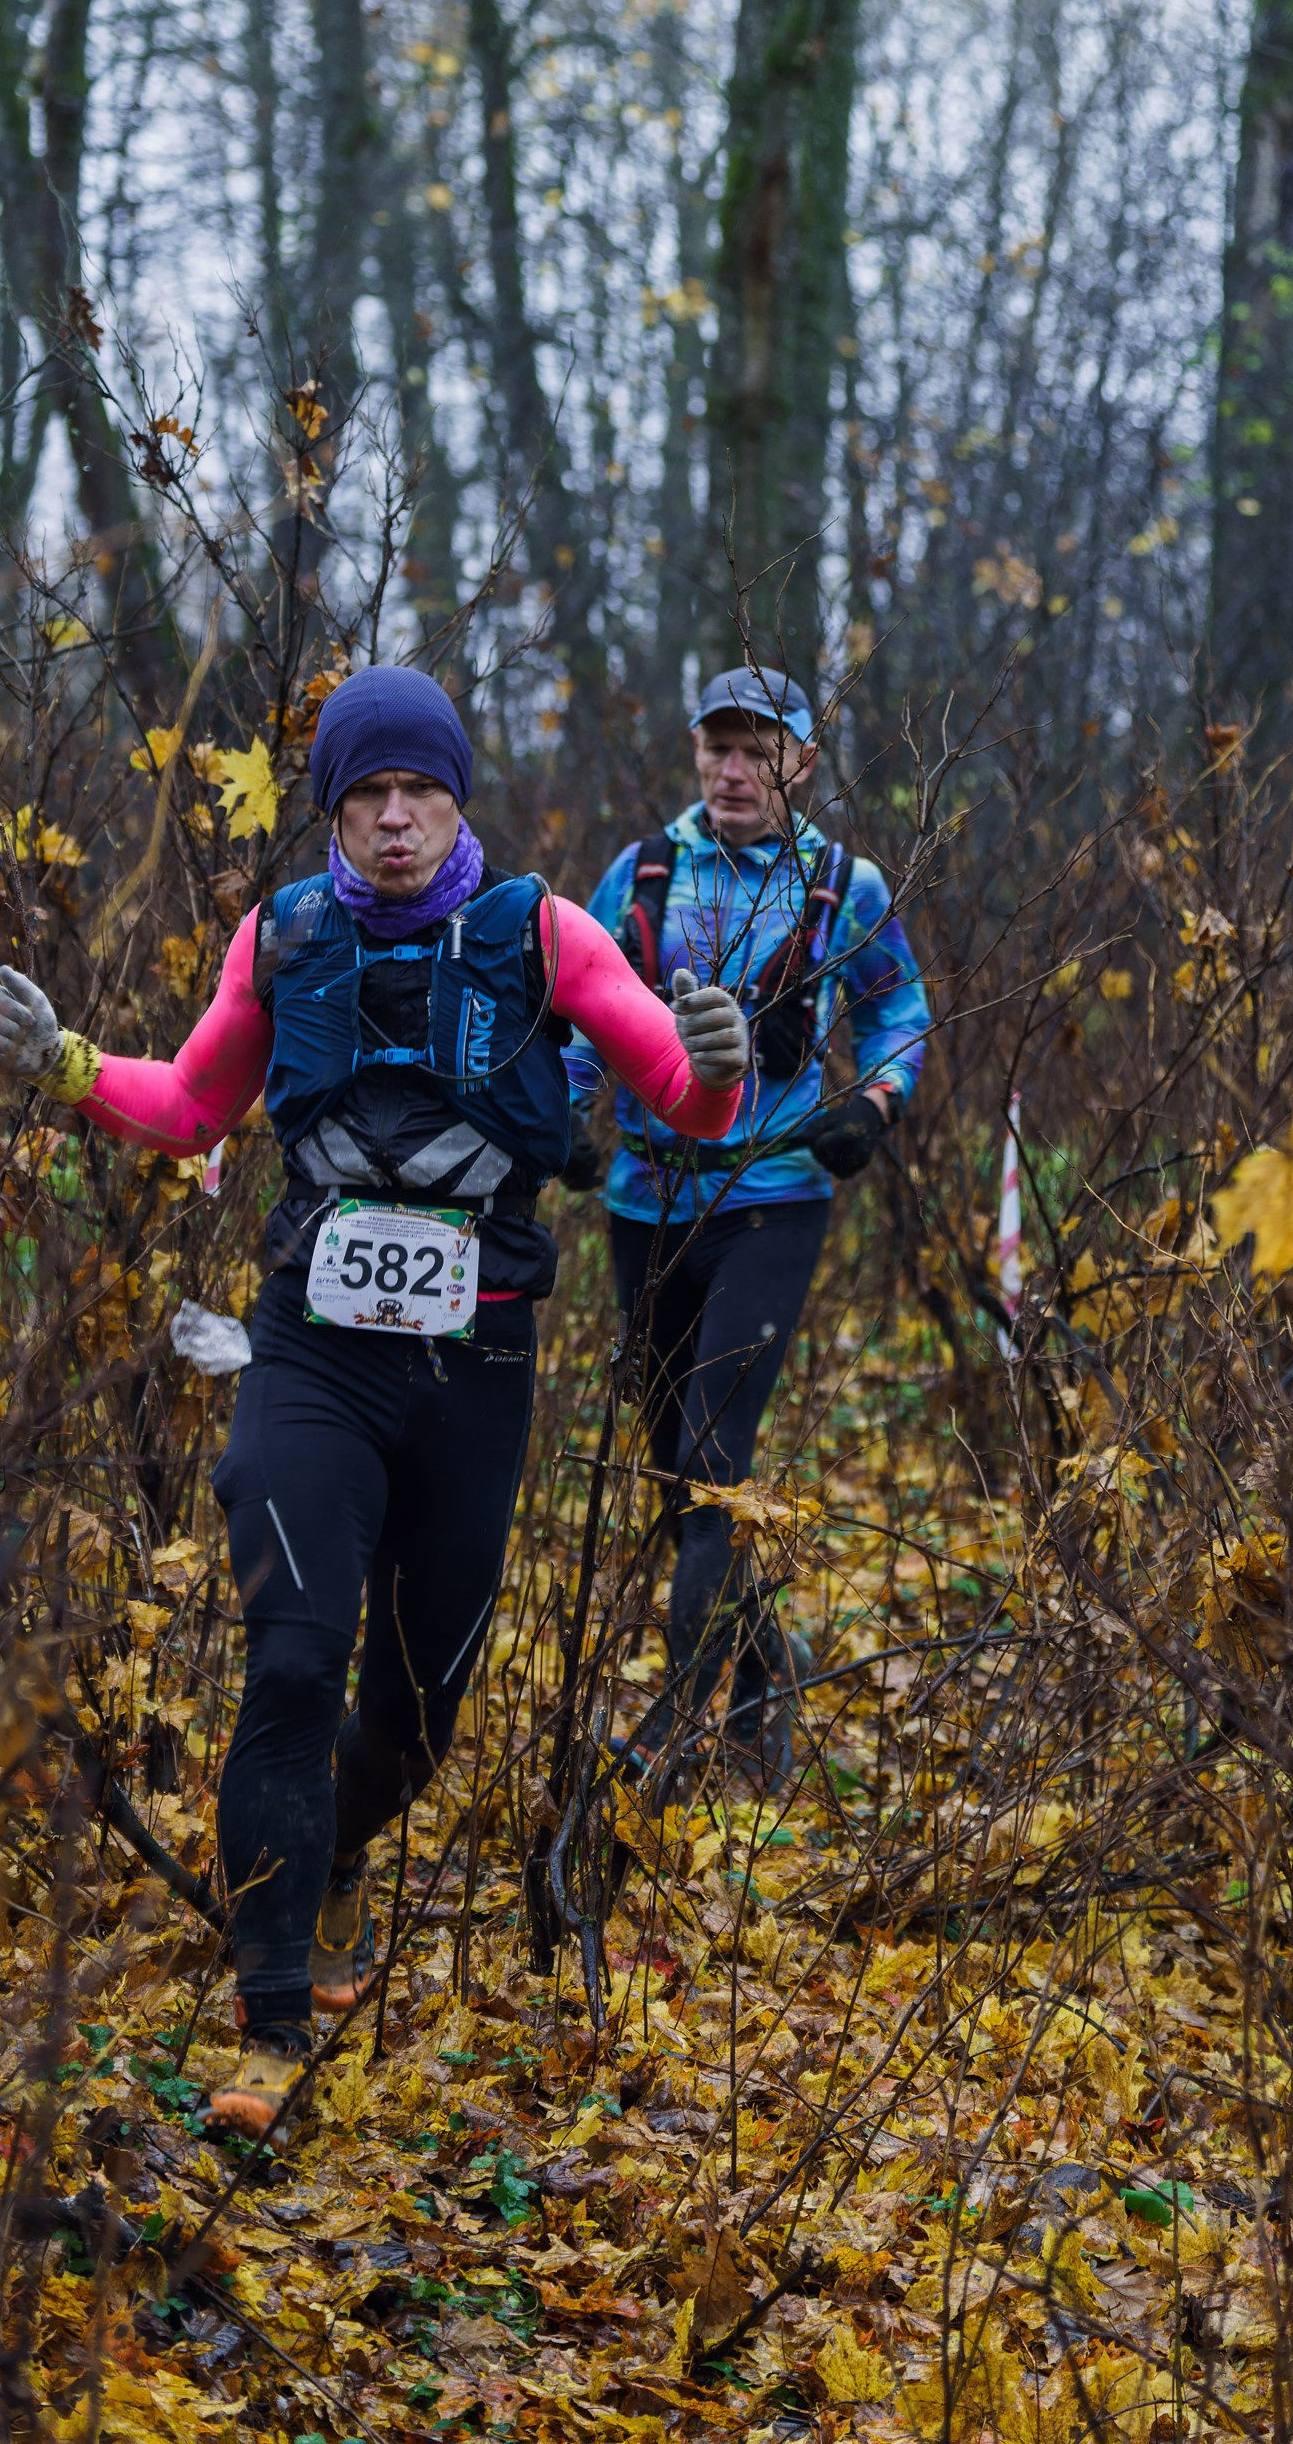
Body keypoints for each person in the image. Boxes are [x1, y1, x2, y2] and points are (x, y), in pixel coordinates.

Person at [0, 665, 750, 2134]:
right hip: (311, 1354)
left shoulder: (542, 934)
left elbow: (673, 1090)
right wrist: (63, 1061)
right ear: (334, 809)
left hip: (478, 1368)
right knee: (291, 1656)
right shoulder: (284, 936)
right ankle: (267, 2021)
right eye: (368, 796)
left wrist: (718, 1073)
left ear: (459, 800)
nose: (395, 821)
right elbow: (194, 1104)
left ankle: (316, 1868)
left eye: (421, 793)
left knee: (418, 1713)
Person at [566, 663, 930, 1791]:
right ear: (694, 752)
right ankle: (767, 1659)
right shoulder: (641, 872)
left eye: (756, 749)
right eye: (716, 746)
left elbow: (897, 1012)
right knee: (675, 1469)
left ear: (800, 763)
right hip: (646, 1199)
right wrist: (557, 1120)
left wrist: (872, 1106)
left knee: (716, 1457)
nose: (732, 769)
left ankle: (681, 1729)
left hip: (772, 1200)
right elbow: (580, 1008)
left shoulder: (843, 885)